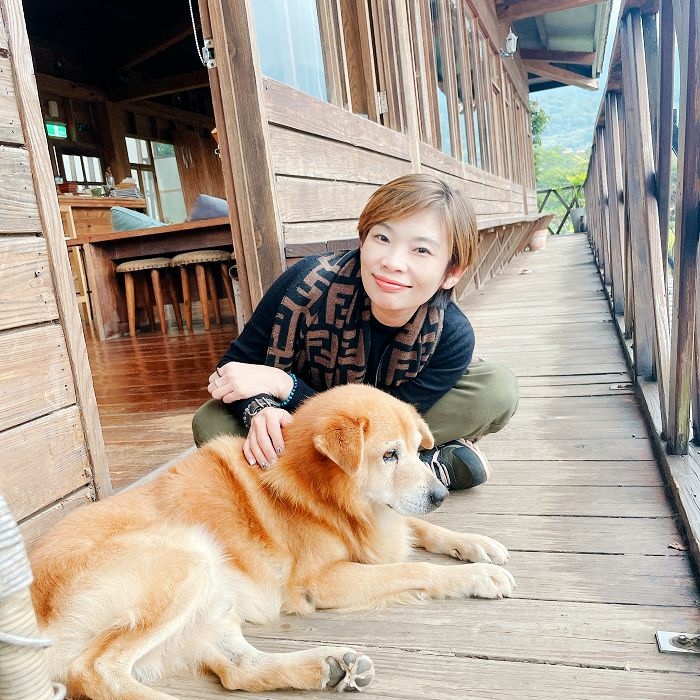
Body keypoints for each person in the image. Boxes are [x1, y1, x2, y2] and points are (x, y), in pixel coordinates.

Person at [192, 174, 518, 490]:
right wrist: (261, 408)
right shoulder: (306, 285)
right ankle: (425, 463)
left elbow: (388, 420)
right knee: (212, 423)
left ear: (452, 271)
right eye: (382, 238)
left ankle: (337, 473)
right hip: (303, 420)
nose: (392, 262)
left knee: (495, 389)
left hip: (374, 422)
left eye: (421, 250)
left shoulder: (451, 333)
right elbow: (232, 368)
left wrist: (284, 385)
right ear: (363, 241)